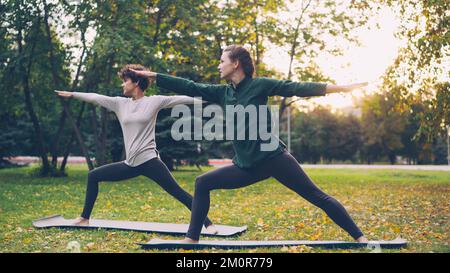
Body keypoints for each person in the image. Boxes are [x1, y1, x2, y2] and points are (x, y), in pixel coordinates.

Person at [131, 45, 369, 243]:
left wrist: (341, 88)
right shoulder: (223, 93)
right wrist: (155, 77)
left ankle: (360, 238)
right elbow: (191, 87)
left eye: (222, 60)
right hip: (246, 166)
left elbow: (296, 87)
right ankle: (191, 240)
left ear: (236, 64)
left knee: (317, 196)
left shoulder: (260, 85)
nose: (218, 64)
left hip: (273, 159)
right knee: (203, 182)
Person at [55, 64, 217, 234]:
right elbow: (96, 97)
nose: (122, 85)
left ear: (137, 82)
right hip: (130, 163)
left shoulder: (154, 101)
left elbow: (183, 99)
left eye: (126, 81)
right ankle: (84, 218)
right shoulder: (120, 104)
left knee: (177, 192)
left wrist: (211, 96)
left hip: (150, 161)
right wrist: (73, 94)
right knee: (93, 176)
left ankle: (208, 224)